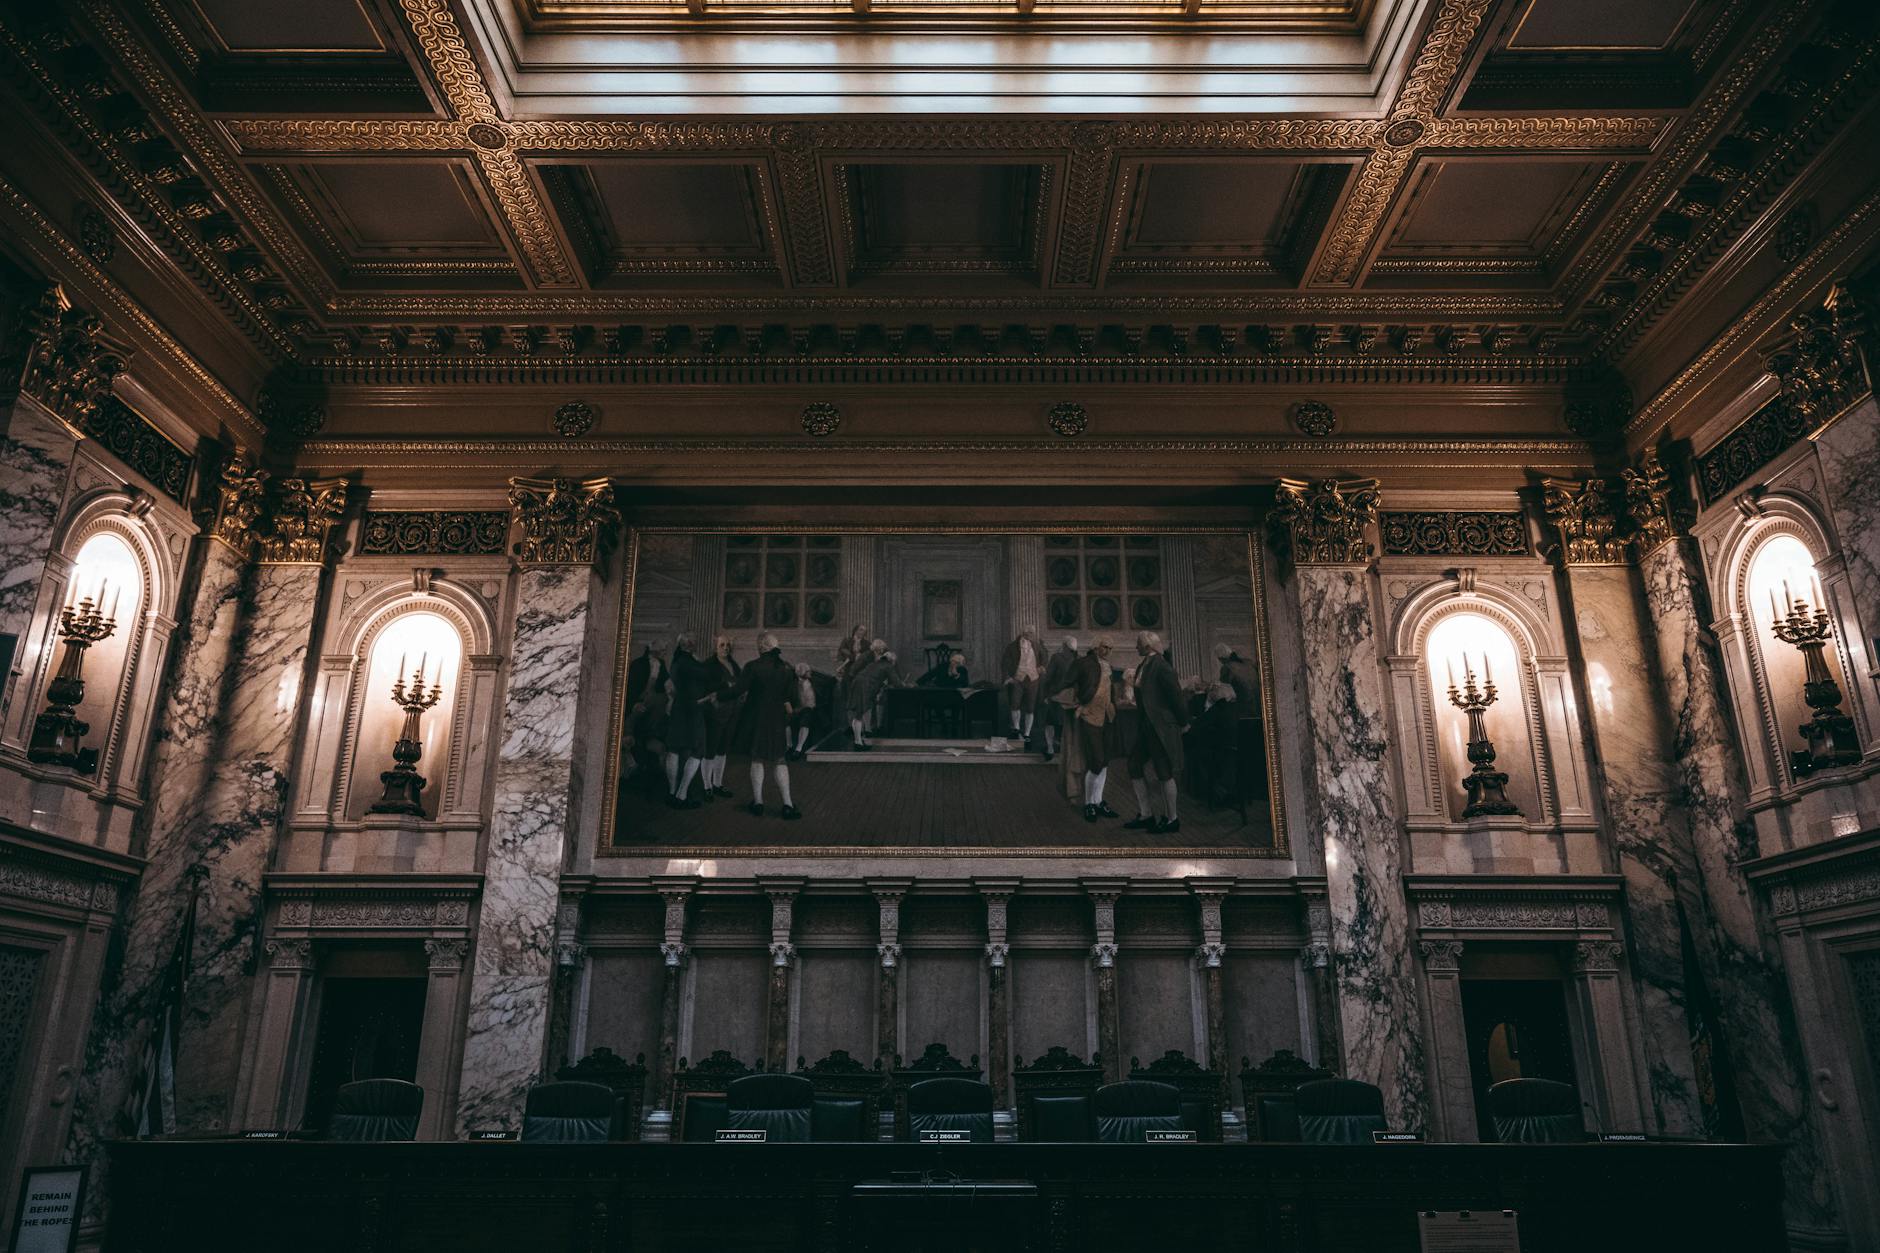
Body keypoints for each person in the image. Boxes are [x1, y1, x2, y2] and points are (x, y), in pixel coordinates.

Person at [725, 632, 801, 819]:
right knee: (780, 760)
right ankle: (788, 804)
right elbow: (791, 698)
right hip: (776, 720)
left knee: (757, 759)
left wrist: (717, 696)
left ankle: (758, 802)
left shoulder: (752, 667)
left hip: (755, 719)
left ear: (761, 647)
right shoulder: (786, 668)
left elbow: (738, 690)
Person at [1125, 630, 1189, 834]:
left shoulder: (1161, 666)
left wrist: (1184, 722)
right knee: (1134, 764)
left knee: (1164, 772)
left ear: (1147, 646)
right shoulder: (1144, 665)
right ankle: (1146, 815)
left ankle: (1172, 819)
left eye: (1138, 644)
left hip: (1161, 726)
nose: (1135, 648)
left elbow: (1176, 697)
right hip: (1147, 726)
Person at [1072, 636, 1118, 823]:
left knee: (1105, 760)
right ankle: (1088, 803)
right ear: (1096, 648)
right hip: (1090, 716)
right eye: (1104, 647)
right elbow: (1070, 685)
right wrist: (1078, 705)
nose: (1107, 651)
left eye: (1110, 648)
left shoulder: (1108, 666)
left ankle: (1098, 801)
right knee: (1096, 760)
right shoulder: (1083, 663)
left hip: (1108, 716)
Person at [663, 633, 710, 808]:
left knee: (674, 749)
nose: (697, 644)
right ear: (690, 645)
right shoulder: (688, 662)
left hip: (679, 709)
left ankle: (672, 792)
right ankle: (681, 795)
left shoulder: (677, 661)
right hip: (692, 709)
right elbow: (707, 674)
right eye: (695, 642)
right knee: (698, 750)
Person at [699, 635, 742, 798]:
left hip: (732, 711)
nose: (725, 648)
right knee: (710, 748)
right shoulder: (708, 665)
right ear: (715, 647)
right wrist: (725, 685)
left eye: (728, 645)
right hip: (714, 712)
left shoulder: (733, 664)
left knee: (723, 749)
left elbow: (740, 682)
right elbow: (704, 687)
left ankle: (718, 784)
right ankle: (707, 786)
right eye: (722, 645)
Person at [847, 639, 893, 749]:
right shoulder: (866, 656)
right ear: (878, 649)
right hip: (861, 685)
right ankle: (859, 740)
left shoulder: (879, 659)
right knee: (859, 712)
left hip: (868, 687)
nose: (883, 652)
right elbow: (853, 671)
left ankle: (865, 734)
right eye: (882, 650)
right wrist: (865, 678)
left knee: (865, 710)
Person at [1039, 635, 1079, 762]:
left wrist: (1045, 694)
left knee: (1050, 723)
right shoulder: (1078, 659)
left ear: (1064, 646)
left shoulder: (1056, 658)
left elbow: (1048, 677)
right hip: (1072, 698)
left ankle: (1050, 748)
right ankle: (1067, 752)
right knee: (1067, 724)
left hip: (1056, 696)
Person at [1001, 625, 1042, 743]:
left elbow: (1044, 657)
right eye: (1031, 633)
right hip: (1017, 679)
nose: (1033, 635)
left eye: (1033, 633)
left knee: (1030, 708)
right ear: (1025, 633)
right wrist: (1008, 677)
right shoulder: (1012, 647)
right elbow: (1005, 662)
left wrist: (1041, 666)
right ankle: (1017, 729)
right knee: (1015, 704)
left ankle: (1027, 733)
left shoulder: (1037, 645)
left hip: (1033, 679)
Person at [626, 636, 668, 712]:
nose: (665, 653)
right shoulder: (638, 664)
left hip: (652, 702)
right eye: (663, 650)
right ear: (654, 651)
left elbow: (665, 682)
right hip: (636, 701)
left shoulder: (661, 664)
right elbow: (630, 687)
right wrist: (634, 704)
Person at [787, 661, 818, 760]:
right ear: (801, 673)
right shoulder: (793, 685)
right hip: (796, 710)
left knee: (806, 718)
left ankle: (798, 748)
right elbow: (787, 698)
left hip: (811, 710)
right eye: (807, 671)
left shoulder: (814, 683)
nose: (810, 673)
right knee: (786, 720)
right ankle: (789, 746)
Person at [1215, 642, 1257, 709]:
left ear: (1221, 658)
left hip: (1243, 708)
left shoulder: (1226, 668)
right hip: (1259, 706)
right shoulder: (1249, 662)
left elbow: (1224, 694)